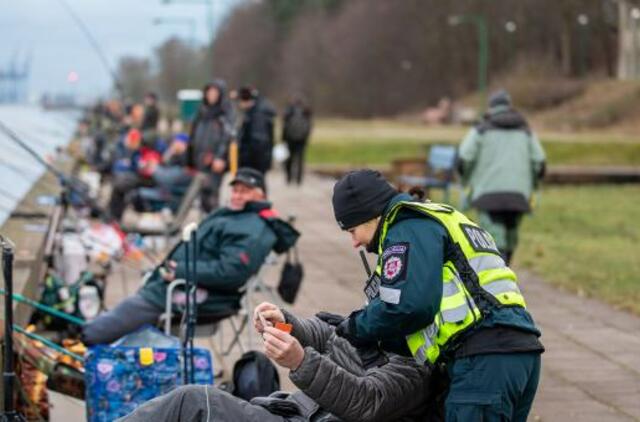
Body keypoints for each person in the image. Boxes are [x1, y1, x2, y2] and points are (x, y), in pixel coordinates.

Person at [330, 169, 544, 422]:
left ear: (370, 215)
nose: (354, 243)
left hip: (482, 361)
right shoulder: (437, 216)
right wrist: (375, 337)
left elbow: (409, 307)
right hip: (517, 351)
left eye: (352, 231)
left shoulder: (407, 227)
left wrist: (356, 327)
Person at [117, 301, 442, 422]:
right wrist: (285, 322)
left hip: (297, 416)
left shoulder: (416, 364)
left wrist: (301, 362)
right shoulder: (389, 324)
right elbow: (332, 333)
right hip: (292, 410)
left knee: (193, 401)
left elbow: (365, 401)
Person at [83, 168, 299, 345]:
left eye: (245, 191)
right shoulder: (237, 215)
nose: (237, 195)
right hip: (182, 281)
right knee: (136, 301)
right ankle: (91, 335)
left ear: (261, 195)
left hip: (206, 294)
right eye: (235, 190)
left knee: (136, 307)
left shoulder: (254, 228)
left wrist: (179, 271)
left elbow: (232, 272)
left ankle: (83, 338)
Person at [457, 89, 546, 264]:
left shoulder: (481, 130)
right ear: (509, 106)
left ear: (490, 108)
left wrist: (466, 181)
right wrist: (533, 185)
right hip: (519, 196)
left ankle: (498, 277)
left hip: (487, 195)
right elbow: (540, 162)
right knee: (511, 235)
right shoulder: (526, 131)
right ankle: (506, 268)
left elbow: (464, 159)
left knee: (493, 240)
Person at [188, 80, 235, 213]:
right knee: (200, 194)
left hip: (214, 161)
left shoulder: (225, 113)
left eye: (215, 92)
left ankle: (214, 223)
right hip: (200, 159)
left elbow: (227, 137)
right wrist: (190, 159)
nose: (211, 95)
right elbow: (193, 135)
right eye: (209, 92)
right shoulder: (202, 112)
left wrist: (219, 157)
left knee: (212, 193)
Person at [237, 86, 276, 174]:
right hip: (258, 159)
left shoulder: (258, 115)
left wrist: (244, 156)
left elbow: (258, 141)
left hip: (254, 161)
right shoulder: (257, 111)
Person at [282, 96, 313, 186]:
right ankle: (299, 180)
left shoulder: (289, 111)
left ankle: (289, 178)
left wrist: (283, 139)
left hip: (289, 140)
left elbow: (285, 127)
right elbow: (309, 126)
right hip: (302, 140)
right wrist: (306, 139)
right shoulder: (306, 111)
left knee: (289, 159)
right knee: (300, 160)